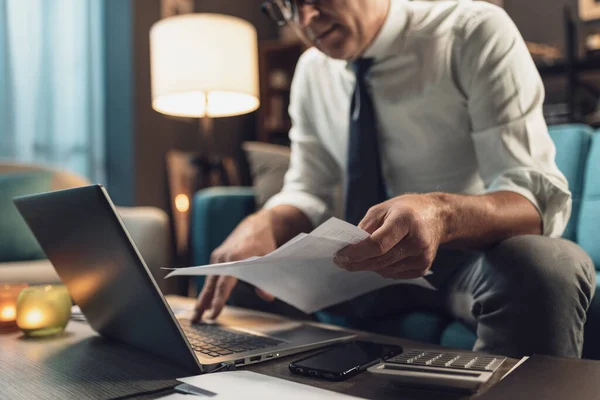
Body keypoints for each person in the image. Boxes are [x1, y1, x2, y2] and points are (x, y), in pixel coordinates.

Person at [193, 0, 596, 358]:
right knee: (237, 274)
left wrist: (440, 214)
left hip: (467, 259)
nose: (306, 18)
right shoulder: (312, 72)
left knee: (548, 266)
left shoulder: (472, 31)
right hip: (356, 265)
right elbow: (308, 188)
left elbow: (535, 199)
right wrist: (264, 221)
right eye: (287, 5)